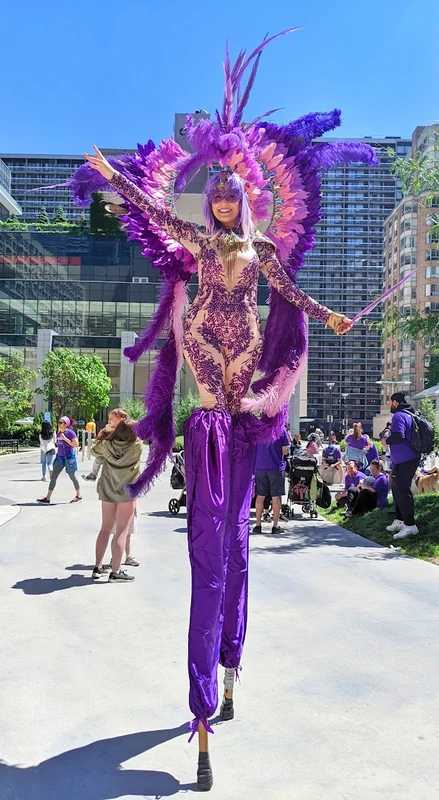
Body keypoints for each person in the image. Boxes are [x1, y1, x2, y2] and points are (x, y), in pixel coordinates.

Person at [71, 30, 376, 789]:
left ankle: (230, 664)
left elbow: (294, 300)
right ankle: (202, 696)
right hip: (208, 396)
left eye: (230, 195)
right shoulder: (196, 245)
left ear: (245, 201)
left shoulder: (263, 251)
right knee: (211, 556)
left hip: (246, 399)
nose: (221, 201)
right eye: (214, 194)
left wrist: (331, 317)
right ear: (207, 201)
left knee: (238, 551)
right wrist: (112, 176)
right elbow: (148, 201)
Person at [91, 415, 143, 582]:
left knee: (105, 529)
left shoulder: (107, 445)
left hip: (107, 490)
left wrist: (106, 431)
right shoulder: (137, 446)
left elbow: (93, 449)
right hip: (127, 493)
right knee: (121, 532)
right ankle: (116, 571)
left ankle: (97, 567)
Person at [385, 392, 420, 539]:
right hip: (405, 459)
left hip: (405, 459)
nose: (389, 405)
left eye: (390, 402)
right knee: (397, 489)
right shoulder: (409, 414)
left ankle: (410, 525)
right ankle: (400, 520)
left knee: (403, 491)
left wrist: (387, 439)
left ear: (395, 402)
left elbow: (399, 435)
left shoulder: (399, 415)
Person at [253, 430, 290, 535]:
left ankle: (258, 525)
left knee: (260, 496)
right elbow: (285, 451)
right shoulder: (281, 430)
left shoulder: (259, 429)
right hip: (276, 467)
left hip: (260, 466)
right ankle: (275, 526)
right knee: (276, 497)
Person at [37, 416, 82, 504]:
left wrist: (65, 439)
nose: (59, 424)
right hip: (59, 458)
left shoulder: (70, 433)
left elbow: (76, 444)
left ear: (66, 424)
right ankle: (48, 498)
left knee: (72, 476)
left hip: (69, 458)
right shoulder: (58, 434)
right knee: (53, 477)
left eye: (62, 423)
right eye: (59, 422)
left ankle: (78, 495)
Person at [82, 408, 129, 481]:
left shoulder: (126, 429)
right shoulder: (109, 428)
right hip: (109, 452)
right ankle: (93, 474)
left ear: (121, 419)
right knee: (98, 459)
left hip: (118, 456)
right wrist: (105, 431)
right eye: (109, 419)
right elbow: (101, 436)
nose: (109, 421)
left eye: (112, 419)